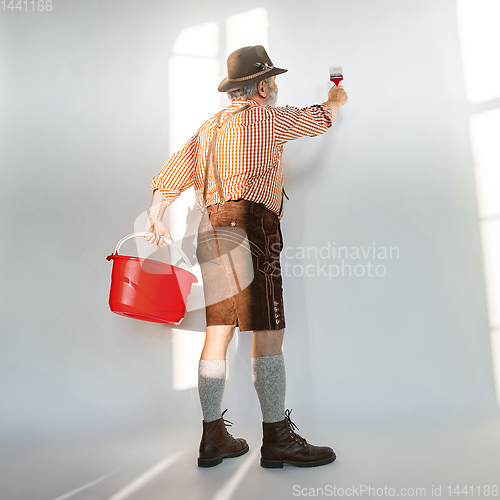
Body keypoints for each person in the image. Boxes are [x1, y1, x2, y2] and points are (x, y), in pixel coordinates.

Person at [144, 45, 348, 468]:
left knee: (218, 331)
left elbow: (168, 177)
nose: (274, 88)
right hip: (251, 227)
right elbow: (316, 119)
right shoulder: (268, 117)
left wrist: (156, 215)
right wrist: (334, 101)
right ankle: (276, 440)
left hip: (211, 231)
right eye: (271, 81)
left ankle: (212, 437)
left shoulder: (208, 129)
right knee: (268, 330)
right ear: (259, 86)